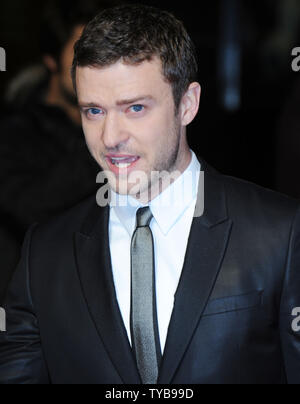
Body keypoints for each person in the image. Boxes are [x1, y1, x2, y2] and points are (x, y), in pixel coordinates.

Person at [0, 4, 300, 385]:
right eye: (94, 111)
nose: (110, 138)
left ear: (187, 104)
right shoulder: (43, 254)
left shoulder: (280, 233)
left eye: (135, 108)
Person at [0, 0, 119, 303]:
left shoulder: (124, 123)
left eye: (106, 55)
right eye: (82, 55)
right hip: (37, 307)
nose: (97, 67)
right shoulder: (16, 130)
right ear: (51, 60)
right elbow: (29, 208)